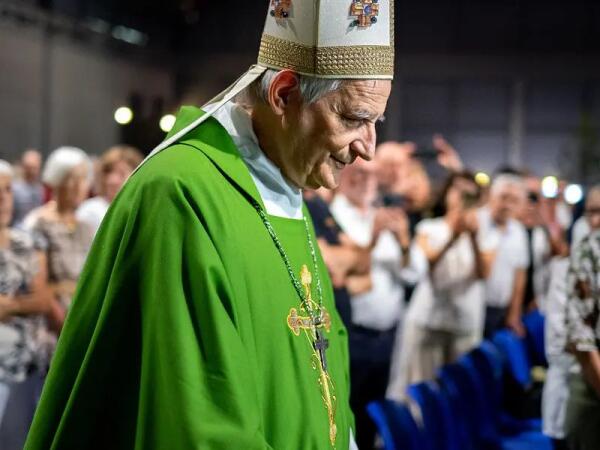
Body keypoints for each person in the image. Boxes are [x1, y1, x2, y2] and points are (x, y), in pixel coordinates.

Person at [25, 2, 395, 449]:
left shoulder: (287, 184)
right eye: (354, 119)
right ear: (283, 94)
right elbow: (197, 416)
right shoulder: (182, 193)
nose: (369, 148)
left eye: (376, 121)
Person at [331, 158, 414, 450]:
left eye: (371, 174)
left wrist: (403, 241)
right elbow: (344, 273)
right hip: (354, 334)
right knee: (347, 410)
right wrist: (374, 238)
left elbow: (412, 274)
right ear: (343, 173)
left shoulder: (384, 214)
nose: (366, 180)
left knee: (374, 412)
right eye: (359, 172)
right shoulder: (333, 217)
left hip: (388, 335)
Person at [387, 171, 487, 400]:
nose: (462, 198)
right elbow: (426, 265)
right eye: (458, 191)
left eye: (469, 194)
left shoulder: (482, 232)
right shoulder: (429, 227)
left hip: (463, 321)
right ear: (447, 193)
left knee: (458, 392)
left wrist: (473, 238)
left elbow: (483, 274)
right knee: (419, 386)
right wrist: (453, 237)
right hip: (428, 319)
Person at [0, 160, 50, 450]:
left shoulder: (26, 242)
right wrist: (23, 301)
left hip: (26, 363)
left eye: (7, 190)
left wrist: (9, 305)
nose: (3, 199)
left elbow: (42, 299)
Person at [23, 147, 95, 332]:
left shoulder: (87, 227)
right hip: (51, 321)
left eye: (84, 179)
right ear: (57, 180)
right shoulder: (38, 222)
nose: (79, 186)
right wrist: (65, 326)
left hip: (85, 312)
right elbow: (37, 284)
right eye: (72, 178)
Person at [565, 185, 600, 450]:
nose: (596, 220)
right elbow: (581, 337)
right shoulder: (586, 251)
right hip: (593, 377)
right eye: (591, 212)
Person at [480, 174, 530, 338]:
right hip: (472, 306)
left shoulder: (518, 231)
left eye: (514, 200)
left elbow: (520, 273)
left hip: (500, 310)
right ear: (491, 196)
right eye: (503, 197)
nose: (507, 205)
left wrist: (514, 313)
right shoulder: (476, 221)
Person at [77, 145, 143, 234]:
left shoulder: (139, 210)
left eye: (121, 174)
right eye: (108, 173)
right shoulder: (91, 210)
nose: (111, 180)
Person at [11, 150, 44, 226]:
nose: (32, 172)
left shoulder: (42, 189)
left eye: (34, 168)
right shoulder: (14, 189)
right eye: (29, 168)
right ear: (23, 167)